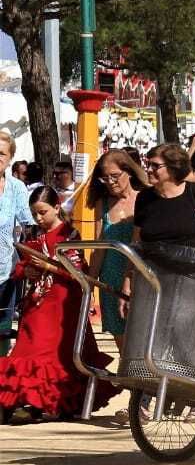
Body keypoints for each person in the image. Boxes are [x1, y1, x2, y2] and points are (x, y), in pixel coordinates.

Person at [0, 187, 116, 422]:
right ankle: (26, 399)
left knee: (57, 353)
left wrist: (49, 266)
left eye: (42, 212)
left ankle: (55, 402)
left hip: (63, 304)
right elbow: (22, 264)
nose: (38, 218)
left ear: (56, 207)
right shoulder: (34, 234)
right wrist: (27, 270)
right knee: (28, 349)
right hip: (37, 302)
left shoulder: (69, 234)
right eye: (34, 214)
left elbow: (77, 270)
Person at [88, 149, 148, 351]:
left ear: (128, 171)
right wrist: (90, 285)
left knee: (142, 339)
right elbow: (99, 247)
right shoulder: (102, 204)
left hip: (139, 277)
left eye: (114, 176)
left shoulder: (146, 198)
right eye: (105, 178)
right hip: (111, 278)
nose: (110, 182)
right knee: (121, 343)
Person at [0, 132, 34, 351]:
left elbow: (29, 224)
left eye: (1, 153)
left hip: (6, 273)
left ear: (10, 158)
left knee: (2, 332)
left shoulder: (16, 187)